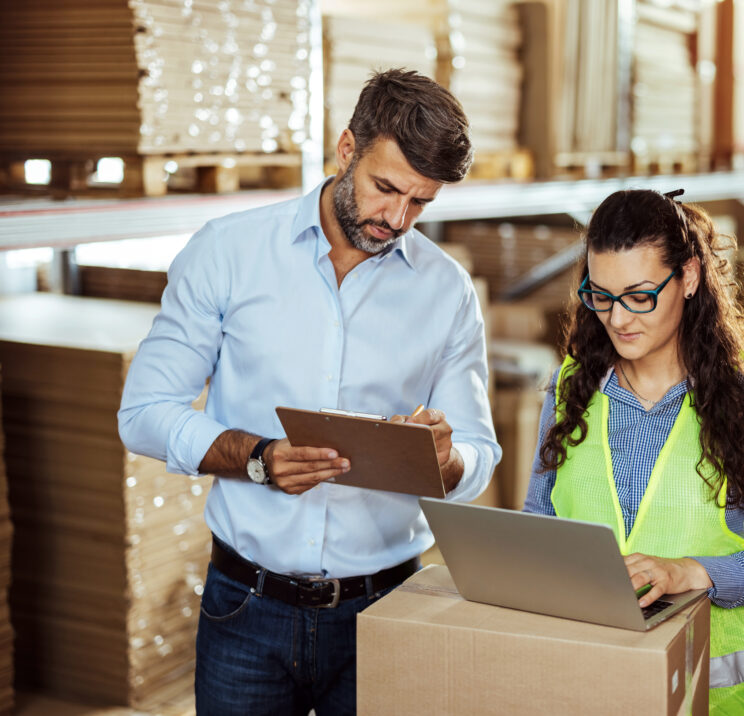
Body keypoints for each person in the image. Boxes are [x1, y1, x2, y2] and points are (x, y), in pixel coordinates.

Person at [118, 69, 501, 714]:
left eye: (421, 203)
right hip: (247, 608)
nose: (397, 219)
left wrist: (450, 459)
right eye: (386, 189)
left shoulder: (447, 292)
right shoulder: (229, 252)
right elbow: (142, 414)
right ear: (346, 149)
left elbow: (479, 452)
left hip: (387, 609)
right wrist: (257, 457)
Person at [524, 189, 744, 715]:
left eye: (639, 295)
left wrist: (693, 573)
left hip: (713, 696)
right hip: (587, 686)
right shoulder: (570, 388)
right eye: (601, 295)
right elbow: (538, 519)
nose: (617, 318)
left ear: (690, 277)